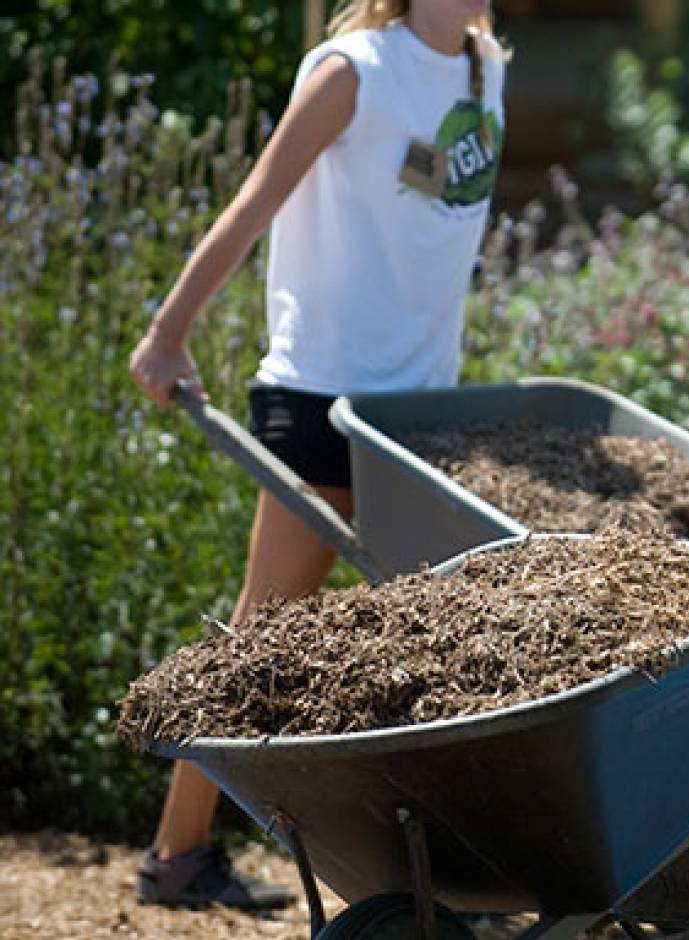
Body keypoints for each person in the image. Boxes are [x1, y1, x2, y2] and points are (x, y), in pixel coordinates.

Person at [127, 0, 506, 911]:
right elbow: (258, 199)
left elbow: (425, 208)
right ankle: (177, 856)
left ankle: (448, 872)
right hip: (325, 393)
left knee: (443, 643)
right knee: (262, 635)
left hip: (420, 409)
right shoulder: (351, 71)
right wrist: (167, 332)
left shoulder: (486, 69)